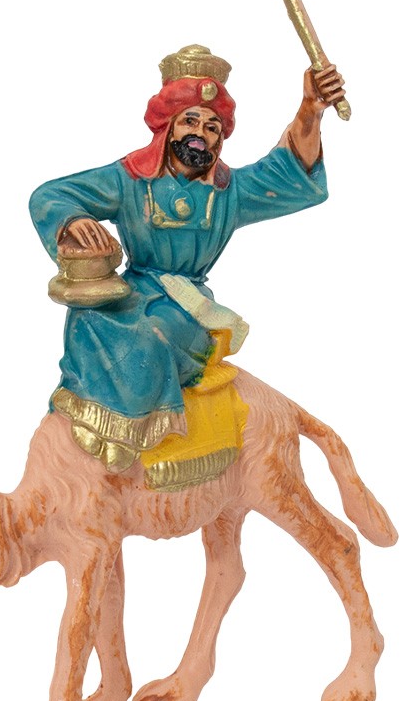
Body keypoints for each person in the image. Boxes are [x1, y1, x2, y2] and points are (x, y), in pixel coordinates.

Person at [29, 44, 345, 472]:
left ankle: (137, 438)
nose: (201, 133)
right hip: (133, 290)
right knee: (86, 317)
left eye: (212, 126)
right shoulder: (131, 179)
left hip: (186, 305)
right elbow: (51, 195)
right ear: (169, 127)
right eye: (191, 121)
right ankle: (92, 425)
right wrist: (73, 220)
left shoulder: (230, 191)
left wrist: (311, 109)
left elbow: (289, 173)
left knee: (148, 336)